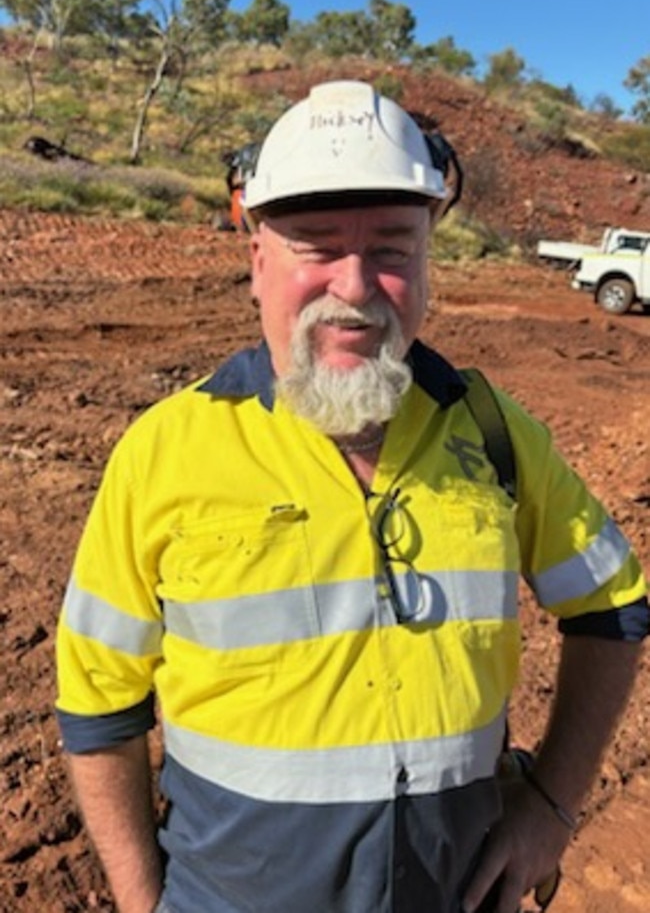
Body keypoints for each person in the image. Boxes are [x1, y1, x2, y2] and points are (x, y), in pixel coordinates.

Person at [55, 79, 648, 913]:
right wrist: (138, 899)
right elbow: (96, 706)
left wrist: (551, 807)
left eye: (393, 249)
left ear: (429, 257)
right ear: (257, 256)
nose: (356, 287)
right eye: (316, 245)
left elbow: (614, 603)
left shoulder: (492, 431)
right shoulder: (166, 452)